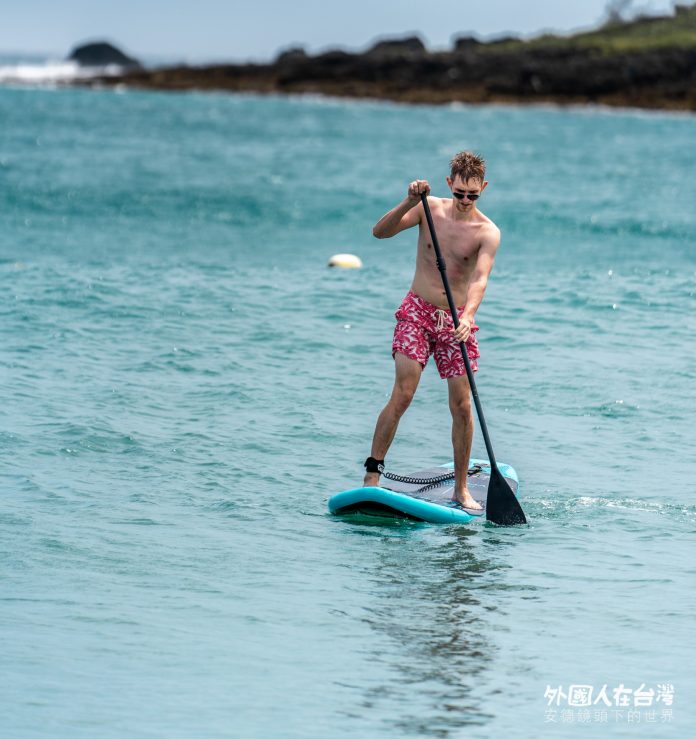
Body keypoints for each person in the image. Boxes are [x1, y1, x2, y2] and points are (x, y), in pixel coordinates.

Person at [363, 151, 500, 512]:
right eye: (460, 193)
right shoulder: (429, 209)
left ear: (483, 189)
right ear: (449, 185)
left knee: (462, 406)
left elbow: (481, 279)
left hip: (456, 321)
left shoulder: (487, 232)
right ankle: (372, 476)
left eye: (473, 195)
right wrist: (409, 200)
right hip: (417, 313)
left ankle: (461, 490)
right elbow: (380, 232)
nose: (466, 201)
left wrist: (468, 316)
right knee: (404, 392)